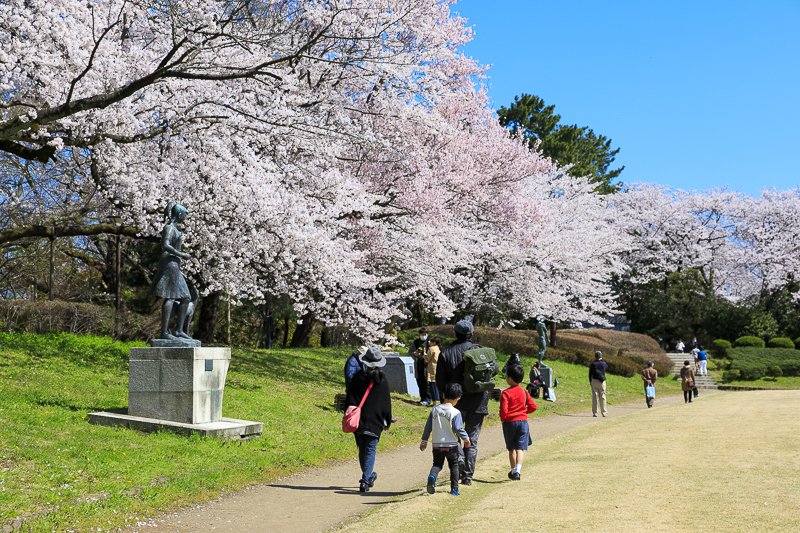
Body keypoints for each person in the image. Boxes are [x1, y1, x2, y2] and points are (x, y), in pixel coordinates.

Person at [435, 319, 488, 485]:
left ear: (455, 333)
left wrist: (443, 401)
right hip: (478, 400)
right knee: (472, 438)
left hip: (455, 402)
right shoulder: (480, 351)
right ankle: (467, 476)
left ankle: (460, 460)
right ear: (471, 334)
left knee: (454, 436)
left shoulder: (446, 353)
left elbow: (440, 381)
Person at [345, 346, 392, 493]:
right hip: (376, 421)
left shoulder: (357, 378)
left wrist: (347, 413)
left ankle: (368, 475)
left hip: (359, 420)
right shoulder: (382, 380)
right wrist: (387, 420)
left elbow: (350, 398)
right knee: (370, 450)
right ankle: (365, 480)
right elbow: (386, 403)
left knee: (362, 449)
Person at [419, 383, 471, 496]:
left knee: (437, 464)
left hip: (437, 445)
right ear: (458, 399)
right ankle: (454, 489)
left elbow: (428, 427)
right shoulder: (455, 412)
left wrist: (424, 441)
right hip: (451, 445)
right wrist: (466, 439)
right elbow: (458, 428)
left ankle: (432, 476)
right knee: (454, 466)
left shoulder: (434, 410)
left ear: (443, 395)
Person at [151, 202, 193, 340]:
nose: (186, 217)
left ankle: (179, 330)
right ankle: (164, 332)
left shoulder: (177, 229)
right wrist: (181, 254)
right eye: (185, 214)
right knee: (171, 296)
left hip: (175, 263)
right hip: (170, 263)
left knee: (186, 297)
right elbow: (165, 244)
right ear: (179, 214)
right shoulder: (169, 228)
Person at [499, 365, 537, 480]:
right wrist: (524, 412)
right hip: (523, 422)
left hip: (510, 422)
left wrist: (503, 418)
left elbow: (504, 410)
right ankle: (518, 471)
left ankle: (513, 470)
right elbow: (533, 406)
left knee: (512, 449)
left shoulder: (506, 393)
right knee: (520, 448)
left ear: (510, 378)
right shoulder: (524, 392)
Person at [410, 328, 432, 406]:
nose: (423, 336)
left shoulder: (430, 342)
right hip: (418, 364)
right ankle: (422, 398)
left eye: (424, 334)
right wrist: (414, 354)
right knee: (419, 382)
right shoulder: (416, 342)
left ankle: (428, 399)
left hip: (427, 366)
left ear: (427, 334)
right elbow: (411, 351)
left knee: (427, 383)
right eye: (421, 334)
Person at [589, 350, 609, 417]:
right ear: (601, 356)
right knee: (603, 396)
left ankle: (595, 413)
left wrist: (590, 381)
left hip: (594, 381)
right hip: (602, 381)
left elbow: (590, 374)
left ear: (595, 356)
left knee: (595, 397)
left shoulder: (593, 364)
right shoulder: (603, 363)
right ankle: (604, 412)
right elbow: (607, 367)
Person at [424, 337, 441, 404]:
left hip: (432, 368)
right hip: (437, 367)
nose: (429, 343)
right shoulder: (437, 348)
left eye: (430, 342)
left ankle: (434, 402)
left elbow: (427, 359)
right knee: (436, 384)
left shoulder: (431, 349)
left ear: (434, 342)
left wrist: (424, 354)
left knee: (432, 385)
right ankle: (438, 400)